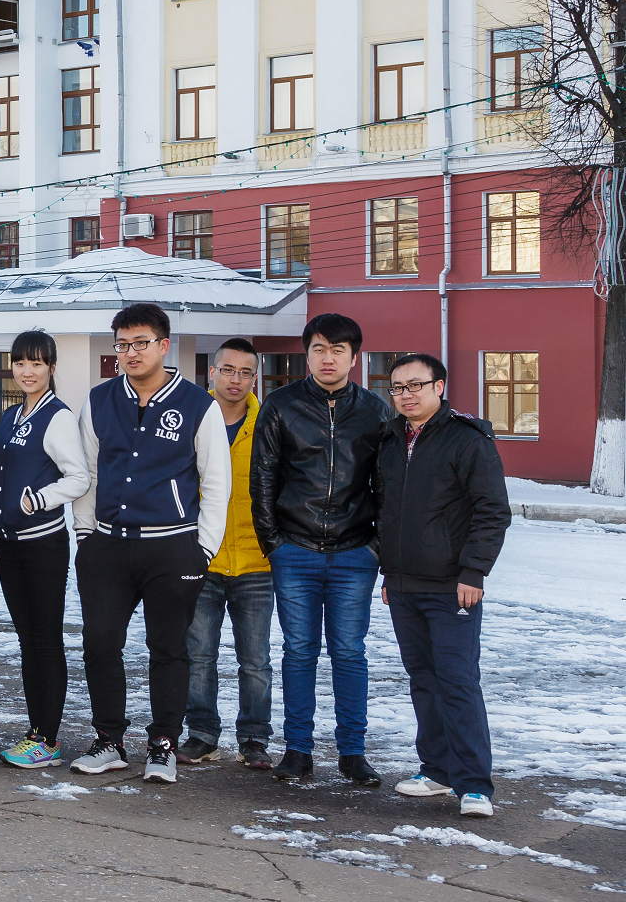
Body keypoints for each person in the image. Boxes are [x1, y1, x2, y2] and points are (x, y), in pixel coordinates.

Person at [72, 302, 230, 785]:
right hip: (109, 548)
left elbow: (216, 483)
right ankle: (109, 741)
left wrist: (201, 550)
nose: (131, 352)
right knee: (100, 645)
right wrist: (85, 535)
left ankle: (163, 744)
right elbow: (89, 474)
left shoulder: (199, 405)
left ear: (163, 345)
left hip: (173, 549)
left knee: (168, 649)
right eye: (122, 344)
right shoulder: (99, 401)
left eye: (141, 343)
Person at [249, 311, 393, 785]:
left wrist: (374, 547)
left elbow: (388, 486)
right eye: (318, 349)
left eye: (337, 350)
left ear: (354, 357)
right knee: (299, 652)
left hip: (355, 553)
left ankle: (353, 752)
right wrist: (275, 544)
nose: (327, 358)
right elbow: (263, 479)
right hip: (295, 551)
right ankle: (297, 749)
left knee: (350, 653)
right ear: (306, 353)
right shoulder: (281, 405)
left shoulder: (375, 411)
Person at [375, 353, 511, 819]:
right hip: (403, 584)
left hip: (453, 586)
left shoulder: (468, 439)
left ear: (440, 386)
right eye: (397, 387)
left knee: (457, 681)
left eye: (416, 384)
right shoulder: (390, 440)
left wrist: (474, 572)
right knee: (423, 681)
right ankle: (435, 769)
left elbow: (492, 511)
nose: (406, 394)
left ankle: (474, 784)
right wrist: (389, 575)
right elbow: (386, 511)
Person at [0, 331, 91, 769]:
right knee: (28, 640)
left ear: (51, 367)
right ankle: (35, 731)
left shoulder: (58, 417)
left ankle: (47, 738)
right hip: (8, 547)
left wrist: (38, 499)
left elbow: (78, 477)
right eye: (21, 363)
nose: (28, 371)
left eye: (37, 363)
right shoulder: (9, 416)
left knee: (44, 640)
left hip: (41, 546)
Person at [179, 338, 275, 770]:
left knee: (255, 660)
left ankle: (254, 738)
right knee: (199, 655)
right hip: (203, 558)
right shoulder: (192, 418)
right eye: (228, 370)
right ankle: (201, 734)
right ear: (211, 373)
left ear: (255, 378)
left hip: (257, 560)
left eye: (246, 372)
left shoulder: (270, 421)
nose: (236, 379)